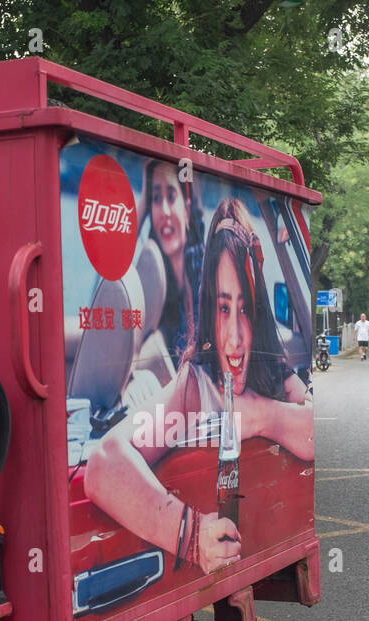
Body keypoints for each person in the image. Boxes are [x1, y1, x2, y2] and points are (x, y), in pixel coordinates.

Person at [84, 198, 312, 573]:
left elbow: (317, 431)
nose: (235, 339)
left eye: (245, 309)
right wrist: (191, 536)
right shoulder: (195, 385)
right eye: (223, 308)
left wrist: (261, 416)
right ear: (209, 310)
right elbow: (105, 464)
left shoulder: (273, 372)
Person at [141, 159, 204, 369]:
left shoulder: (207, 270)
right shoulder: (158, 287)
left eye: (171, 196)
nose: (165, 211)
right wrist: (142, 204)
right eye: (156, 199)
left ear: (186, 210)